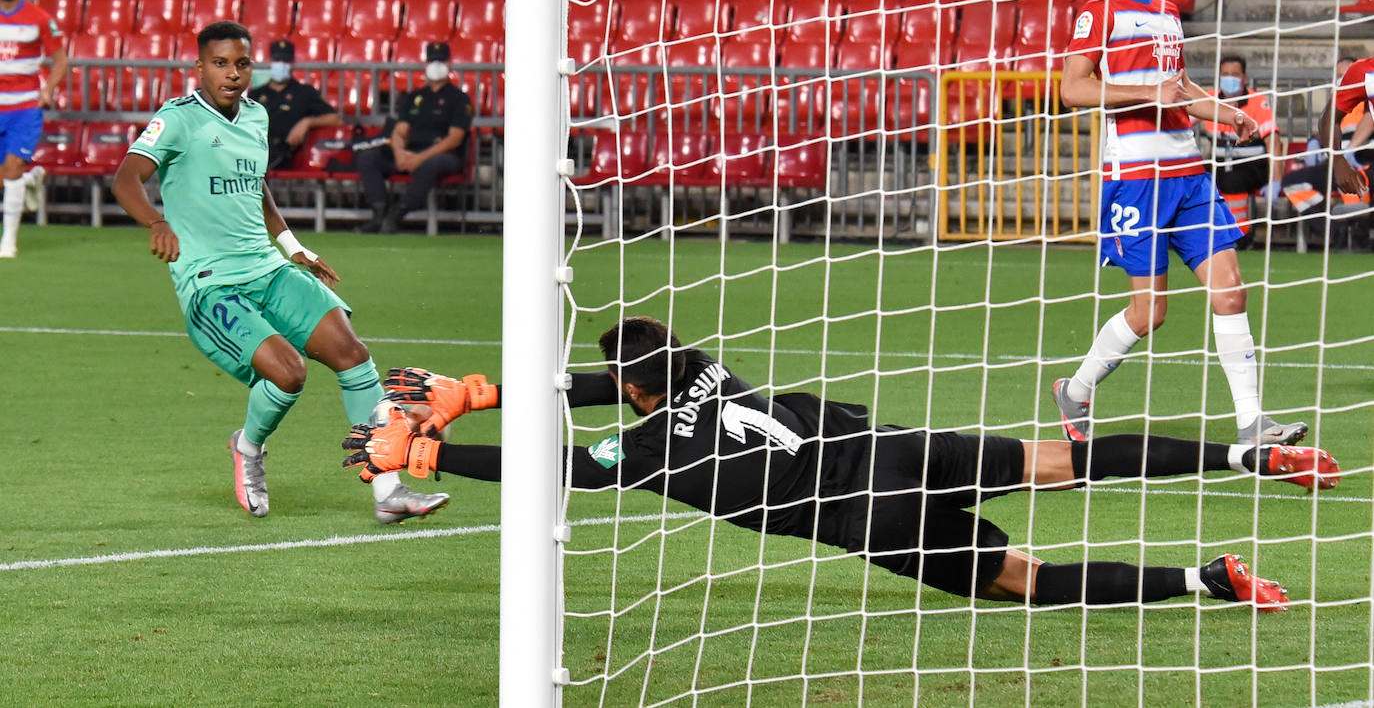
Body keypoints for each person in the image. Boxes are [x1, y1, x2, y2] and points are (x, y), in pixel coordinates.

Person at [341, 316, 1340, 610]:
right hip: (900, 449)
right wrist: (490, 390)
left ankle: (1204, 579)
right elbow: (627, 377)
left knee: (1029, 582)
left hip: (869, 518)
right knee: (1070, 460)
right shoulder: (706, 368)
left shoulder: (646, 448)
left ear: (632, 392)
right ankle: (1249, 454)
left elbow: (560, 465)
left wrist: (434, 444)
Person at [111, 20, 448, 524]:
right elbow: (126, 177)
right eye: (220, 63)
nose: (232, 73)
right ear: (199, 67)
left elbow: (256, 186)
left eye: (241, 63)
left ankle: (388, 490)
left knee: (352, 354)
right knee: (289, 373)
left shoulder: (256, 115)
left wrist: (292, 246)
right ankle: (248, 447)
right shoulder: (177, 119)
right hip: (211, 283)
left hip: (267, 267)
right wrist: (156, 222)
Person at [1053, 0, 1307, 447]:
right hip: (1135, 179)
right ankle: (1074, 391)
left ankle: (1252, 424)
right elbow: (1072, 89)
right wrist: (1150, 93)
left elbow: (1181, 88)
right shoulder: (1098, 12)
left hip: (1188, 175)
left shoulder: (1168, 11)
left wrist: (1228, 113)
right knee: (1150, 313)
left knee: (1231, 293)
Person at [355, 42, 473, 234]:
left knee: (431, 164)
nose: (436, 65)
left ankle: (397, 214)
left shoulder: (459, 99)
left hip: (444, 154)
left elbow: (455, 139)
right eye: (432, 61)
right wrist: (399, 153)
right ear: (425, 64)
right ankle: (379, 213)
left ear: (450, 64)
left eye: (441, 61)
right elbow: (400, 130)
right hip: (411, 151)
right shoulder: (415, 97)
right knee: (369, 158)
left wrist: (420, 158)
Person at [0, 0, 67, 258]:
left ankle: (8, 241)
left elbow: (60, 60)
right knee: (7, 176)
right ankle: (28, 182)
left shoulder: (38, 18)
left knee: (12, 169)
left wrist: (47, 90)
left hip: (24, 108)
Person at [1281, 52, 1374, 242]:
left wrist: (1352, 148)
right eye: (1339, 75)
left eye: (1345, 73)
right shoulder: (1353, 84)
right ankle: (1336, 231)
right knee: (1293, 182)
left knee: (1360, 177)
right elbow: (1328, 120)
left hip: (1365, 158)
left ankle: (1359, 232)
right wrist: (1330, 153)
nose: (1343, 78)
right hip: (1340, 162)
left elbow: (1369, 119)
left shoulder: (1366, 98)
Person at [1199, 54, 1286, 246]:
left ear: (1244, 77)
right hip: (1220, 163)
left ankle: (1240, 235)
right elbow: (1185, 119)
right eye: (1225, 74)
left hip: (1253, 166)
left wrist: (1276, 180)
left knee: (1233, 178)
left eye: (1235, 74)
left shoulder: (1257, 102)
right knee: (1193, 175)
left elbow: (1273, 141)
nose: (1229, 78)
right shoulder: (1209, 99)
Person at [246, 39, 343, 170]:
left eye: (286, 61)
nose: (281, 64)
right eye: (277, 60)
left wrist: (308, 122)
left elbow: (336, 119)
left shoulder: (304, 93)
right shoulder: (256, 94)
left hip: (285, 156)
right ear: (270, 62)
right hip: (256, 153)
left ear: (293, 63)